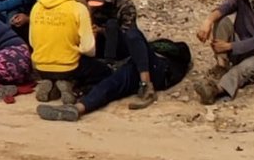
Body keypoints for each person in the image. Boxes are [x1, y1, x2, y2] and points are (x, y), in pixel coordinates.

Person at [37, 39, 192, 122]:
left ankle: (146, 86)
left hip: (156, 70)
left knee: (133, 36)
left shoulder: (175, 54)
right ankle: (77, 107)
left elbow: (173, 50)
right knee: (111, 84)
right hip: (135, 69)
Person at [29, 0, 111, 105]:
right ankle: (74, 87)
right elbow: (88, 49)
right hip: (69, 67)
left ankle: (52, 84)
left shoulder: (37, 7)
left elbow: (32, 42)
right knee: (104, 72)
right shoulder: (78, 8)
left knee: (59, 66)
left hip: (41, 67)